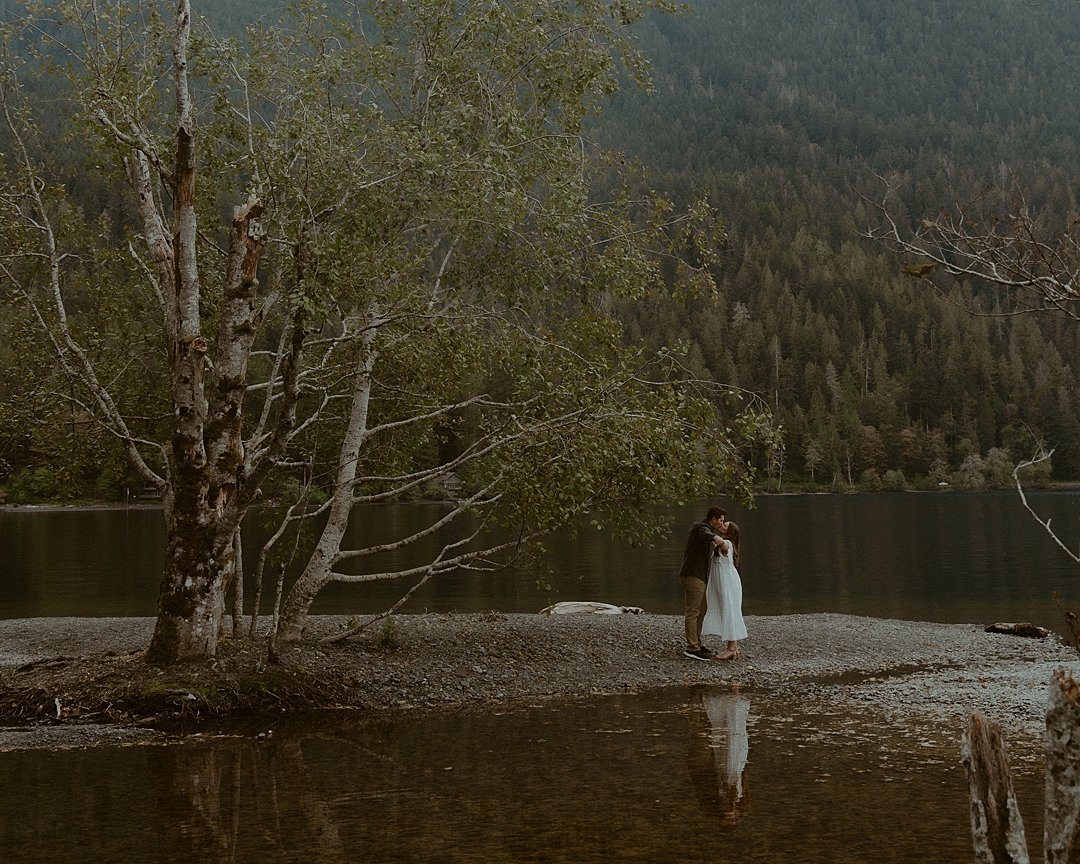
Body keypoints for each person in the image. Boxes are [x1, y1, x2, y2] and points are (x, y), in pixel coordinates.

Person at [677, 506, 726, 661]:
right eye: (721, 520)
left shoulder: (704, 530)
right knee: (693, 611)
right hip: (692, 575)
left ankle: (697, 643)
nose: (721, 524)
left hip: (699, 576)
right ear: (713, 519)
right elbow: (704, 534)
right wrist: (714, 538)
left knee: (702, 609)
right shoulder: (701, 528)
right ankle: (692, 648)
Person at [702, 520, 747, 660]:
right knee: (728, 609)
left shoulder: (726, 544)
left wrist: (711, 535)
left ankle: (731, 649)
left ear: (730, 532)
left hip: (727, 581)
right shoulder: (724, 543)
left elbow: (723, 546)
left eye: (725, 525)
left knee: (729, 610)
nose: (721, 525)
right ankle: (733, 647)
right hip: (724, 581)